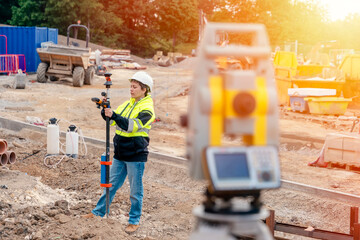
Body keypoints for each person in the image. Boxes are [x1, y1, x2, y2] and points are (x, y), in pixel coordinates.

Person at [82, 71, 155, 234]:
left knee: (135, 190)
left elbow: (131, 126)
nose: (131, 89)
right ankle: (98, 212)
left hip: (135, 155)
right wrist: (105, 111)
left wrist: (113, 114)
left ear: (144, 89)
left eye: (135, 87)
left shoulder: (147, 109)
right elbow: (113, 119)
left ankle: (134, 220)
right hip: (120, 153)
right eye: (131, 86)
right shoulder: (128, 104)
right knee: (110, 185)